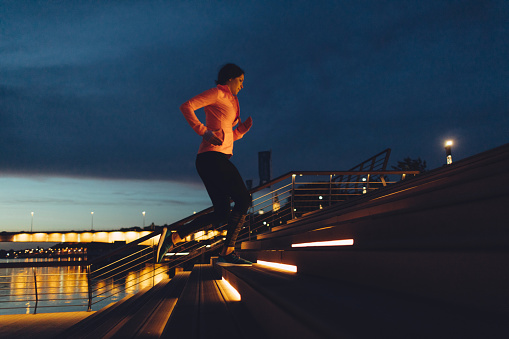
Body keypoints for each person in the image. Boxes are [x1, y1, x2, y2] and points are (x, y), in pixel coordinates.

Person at [157, 63, 253, 265]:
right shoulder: (217, 93)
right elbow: (187, 106)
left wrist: (241, 131)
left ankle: (173, 238)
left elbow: (225, 137)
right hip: (211, 158)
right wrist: (204, 131)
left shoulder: (231, 101)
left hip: (214, 158)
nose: (242, 86)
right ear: (229, 78)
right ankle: (227, 252)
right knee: (243, 199)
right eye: (240, 81)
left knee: (221, 212)